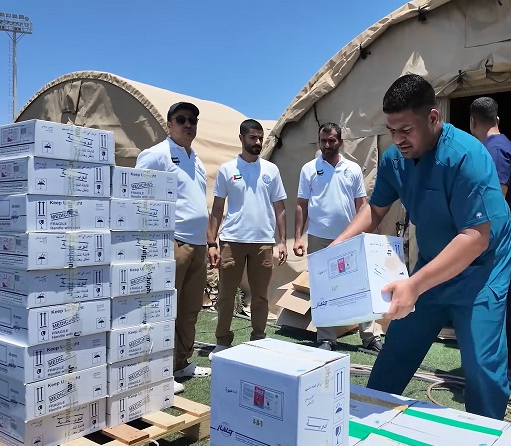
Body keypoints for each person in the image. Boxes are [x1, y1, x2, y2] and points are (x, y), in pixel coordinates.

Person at [331, 74, 511, 420]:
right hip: (432, 264)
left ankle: (486, 434)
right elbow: (375, 209)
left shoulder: (468, 157)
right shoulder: (394, 159)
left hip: (482, 269)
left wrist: (414, 285)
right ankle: (369, 420)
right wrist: (339, 244)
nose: (398, 139)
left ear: (433, 118)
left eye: (406, 130)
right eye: (391, 130)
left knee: (482, 365)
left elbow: (475, 238)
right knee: (398, 348)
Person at [134, 102, 212, 394]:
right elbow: (137, 195)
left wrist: (209, 240)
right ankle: (158, 371)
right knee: (163, 310)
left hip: (198, 244)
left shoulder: (197, 160)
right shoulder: (156, 155)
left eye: (193, 120)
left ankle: (180, 363)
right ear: (169, 124)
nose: (188, 124)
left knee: (190, 309)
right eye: (181, 119)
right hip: (173, 243)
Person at [293, 122, 383, 353]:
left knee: (360, 285)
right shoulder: (309, 169)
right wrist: (298, 237)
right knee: (322, 288)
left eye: (331, 140)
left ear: (340, 142)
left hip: (350, 237)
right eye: (323, 141)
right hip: (319, 238)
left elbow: (361, 204)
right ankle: (326, 338)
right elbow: (301, 205)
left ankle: (370, 337)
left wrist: (365, 234)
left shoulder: (353, 169)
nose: (326, 145)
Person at [207, 119, 288, 359]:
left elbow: (280, 208)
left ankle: (258, 339)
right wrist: (211, 243)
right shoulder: (226, 169)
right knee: (226, 295)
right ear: (241, 138)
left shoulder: (271, 170)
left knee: (260, 296)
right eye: (253, 137)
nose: (258, 142)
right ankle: (222, 341)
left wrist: (282, 241)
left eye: (260, 138)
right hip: (231, 241)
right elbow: (217, 209)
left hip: (263, 242)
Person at [469, 97, 511, 394]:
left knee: (494, 300)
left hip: (502, 237)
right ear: (497, 119)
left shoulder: (494, 151)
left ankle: (499, 369)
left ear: (472, 123)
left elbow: (495, 201)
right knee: (506, 298)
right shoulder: (505, 145)